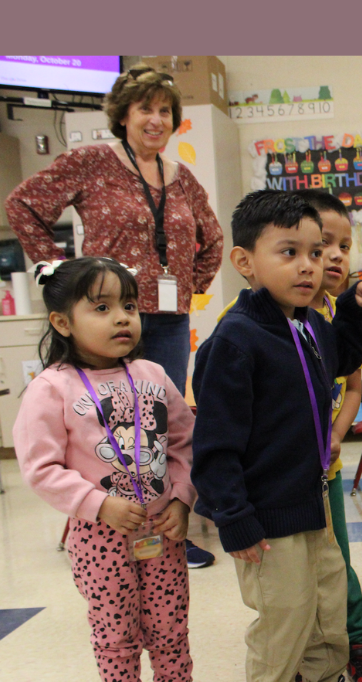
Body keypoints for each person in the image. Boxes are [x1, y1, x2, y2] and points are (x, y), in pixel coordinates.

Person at [190, 191, 362, 682]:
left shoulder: (304, 324)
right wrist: (235, 519)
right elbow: (214, 446)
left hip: (310, 500)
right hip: (263, 514)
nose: (310, 264)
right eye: (290, 252)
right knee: (283, 614)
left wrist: (351, 306)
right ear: (245, 262)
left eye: (316, 250)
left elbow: (343, 354)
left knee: (324, 598)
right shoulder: (236, 339)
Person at [5, 63, 224, 570]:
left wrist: (192, 286)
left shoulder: (181, 177)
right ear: (122, 115)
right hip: (101, 316)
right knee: (100, 427)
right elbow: (24, 204)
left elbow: (211, 239)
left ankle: (168, 525)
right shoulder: (92, 161)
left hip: (164, 319)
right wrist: (58, 274)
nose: (156, 119)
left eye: (165, 111)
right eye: (145, 108)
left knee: (159, 427)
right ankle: (91, 518)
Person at [13, 257, 205, 682]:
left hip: (161, 532)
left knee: (169, 623)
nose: (122, 318)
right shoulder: (51, 388)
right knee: (115, 630)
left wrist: (183, 499)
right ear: (62, 322)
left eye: (128, 305)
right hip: (100, 540)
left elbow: (186, 441)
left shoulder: (153, 375)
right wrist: (97, 504)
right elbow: (39, 466)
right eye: (101, 308)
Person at [296, 189, 362, 682]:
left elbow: (351, 385)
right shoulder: (260, 320)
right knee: (293, 570)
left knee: (337, 559)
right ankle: (303, 651)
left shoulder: (337, 311)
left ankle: (355, 643)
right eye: (321, 243)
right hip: (282, 473)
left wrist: (335, 436)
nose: (334, 255)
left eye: (343, 245)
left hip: (325, 463)